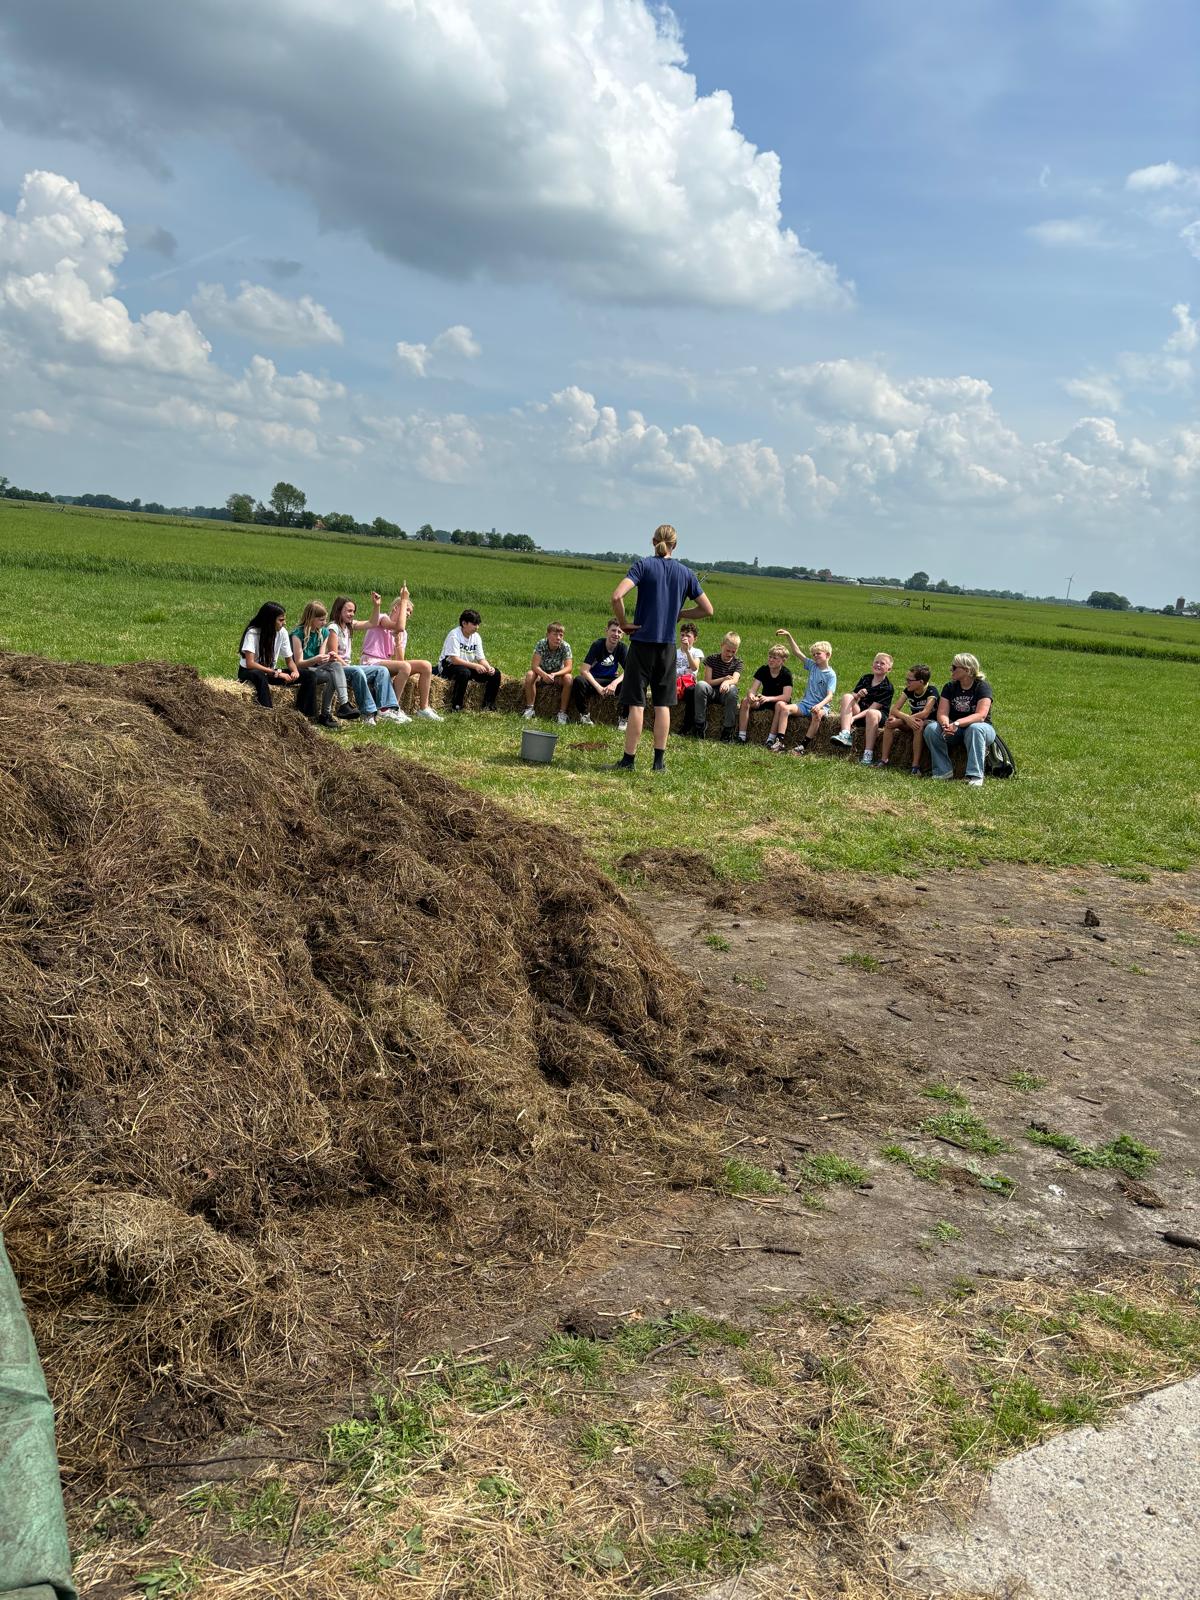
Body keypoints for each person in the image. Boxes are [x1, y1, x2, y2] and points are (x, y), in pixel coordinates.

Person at [611, 523, 713, 773]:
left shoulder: (643, 566)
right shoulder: (685, 573)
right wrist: (680, 613)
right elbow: (707, 610)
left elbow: (616, 596)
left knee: (636, 703)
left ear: (652, 541)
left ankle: (629, 760)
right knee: (662, 705)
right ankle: (658, 763)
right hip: (667, 648)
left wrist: (624, 623)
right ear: (675, 545)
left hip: (642, 644)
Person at [361, 586, 441, 720]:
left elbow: (400, 660)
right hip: (371, 661)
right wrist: (404, 599)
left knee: (426, 665)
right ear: (396, 608)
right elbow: (399, 626)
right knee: (405, 667)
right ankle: (393, 706)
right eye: (406, 610)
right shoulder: (381, 618)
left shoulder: (403, 634)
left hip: (387, 664)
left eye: (410, 612)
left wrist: (398, 644)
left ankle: (424, 708)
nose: (408, 614)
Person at [328, 594, 407, 726]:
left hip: (347, 666)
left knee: (382, 670)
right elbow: (333, 656)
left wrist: (377, 606)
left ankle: (386, 708)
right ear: (338, 610)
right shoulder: (333, 628)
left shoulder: (349, 626)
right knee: (357, 672)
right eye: (348, 611)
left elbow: (372, 623)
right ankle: (368, 713)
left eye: (353, 611)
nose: (352, 614)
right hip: (336, 668)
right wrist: (349, 666)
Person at [924, 653, 996, 786]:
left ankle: (975, 776)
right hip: (955, 730)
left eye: (954, 667)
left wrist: (956, 723)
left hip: (981, 729)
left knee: (975, 728)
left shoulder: (982, 687)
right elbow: (942, 712)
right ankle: (942, 771)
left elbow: (981, 716)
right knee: (931, 729)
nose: (951, 670)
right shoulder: (950, 687)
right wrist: (946, 724)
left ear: (967, 670)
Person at [767, 634, 836, 755]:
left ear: (828, 655)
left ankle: (803, 746)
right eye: (813, 654)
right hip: (805, 704)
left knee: (817, 715)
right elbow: (797, 652)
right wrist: (788, 636)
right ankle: (780, 742)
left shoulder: (831, 675)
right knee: (784, 709)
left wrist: (819, 706)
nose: (815, 656)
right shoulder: (812, 666)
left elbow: (830, 696)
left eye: (818, 653)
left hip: (822, 706)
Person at [290, 600, 347, 730]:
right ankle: (326, 713)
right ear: (311, 619)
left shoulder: (324, 633)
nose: (324, 623)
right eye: (321, 620)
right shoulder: (297, 634)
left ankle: (343, 704)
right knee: (333, 673)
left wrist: (327, 658)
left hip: (316, 668)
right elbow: (299, 663)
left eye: (325, 619)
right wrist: (316, 659)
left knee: (336, 666)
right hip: (304, 671)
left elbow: (320, 659)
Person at [830, 652, 895, 763]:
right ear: (872, 665)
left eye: (882, 663)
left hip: (876, 717)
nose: (878, 665)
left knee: (872, 713)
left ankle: (868, 755)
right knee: (847, 696)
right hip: (860, 711)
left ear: (889, 669)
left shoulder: (887, 687)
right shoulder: (866, 678)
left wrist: (853, 719)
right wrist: (857, 695)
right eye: (876, 662)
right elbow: (853, 698)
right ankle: (845, 734)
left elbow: (872, 708)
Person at [877, 664, 939, 773]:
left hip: (930, 722)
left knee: (918, 725)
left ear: (920, 681)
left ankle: (915, 766)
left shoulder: (931, 691)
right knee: (889, 723)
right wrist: (905, 718)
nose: (907, 682)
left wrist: (902, 720)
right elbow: (894, 710)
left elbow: (925, 713)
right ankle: (884, 760)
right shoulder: (909, 690)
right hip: (911, 720)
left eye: (910, 680)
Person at [438, 607, 501, 712]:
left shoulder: (476, 637)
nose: (477, 627)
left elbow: (481, 659)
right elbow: (454, 660)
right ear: (464, 623)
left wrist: (489, 667)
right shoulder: (454, 635)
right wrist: (475, 666)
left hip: (466, 666)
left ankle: (488, 705)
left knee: (495, 674)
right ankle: (456, 706)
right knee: (464, 672)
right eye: (474, 624)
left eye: (478, 624)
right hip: (448, 667)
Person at [238, 601, 299, 708]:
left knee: (309, 675)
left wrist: (295, 671)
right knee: (260, 675)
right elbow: (250, 664)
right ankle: (267, 712)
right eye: (281, 620)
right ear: (270, 620)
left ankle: (306, 715)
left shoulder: (283, 632)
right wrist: (277, 673)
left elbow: (289, 660)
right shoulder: (252, 633)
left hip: (270, 672)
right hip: (249, 672)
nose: (284, 623)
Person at [688, 631, 744, 741]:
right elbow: (708, 681)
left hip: (725, 695)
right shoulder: (712, 659)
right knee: (700, 685)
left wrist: (727, 683)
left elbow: (735, 679)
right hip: (712, 692)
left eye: (733, 651)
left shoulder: (738, 662)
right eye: (727, 650)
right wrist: (723, 679)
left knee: (733, 690)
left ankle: (728, 730)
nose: (730, 654)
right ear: (721, 645)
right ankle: (700, 724)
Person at [572, 621, 627, 724]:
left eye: (619, 632)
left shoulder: (622, 648)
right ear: (606, 631)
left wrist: (614, 684)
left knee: (632, 683)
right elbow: (584, 670)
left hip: (611, 681)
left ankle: (623, 718)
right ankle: (584, 715)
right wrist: (598, 688)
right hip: (595, 680)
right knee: (578, 681)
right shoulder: (597, 645)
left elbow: (630, 671)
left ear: (622, 635)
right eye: (613, 630)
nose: (616, 634)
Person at [737, 644, 793, 743]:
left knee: (780, 705)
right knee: (746, 701)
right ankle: (741, 736)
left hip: (778, 701)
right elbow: (753, 689)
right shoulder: (763, 669)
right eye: (770, 657)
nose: (771, 660)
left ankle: (771, 739)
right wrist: (750, 695)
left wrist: (768, 698)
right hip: (764, 700)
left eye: (775, 658)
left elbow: (787, 697)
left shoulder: (786, 674)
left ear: (783, 661)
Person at [522, 621, 574, 723]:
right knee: (529, 675)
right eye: (555, 634)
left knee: (569, 678)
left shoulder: (566, 646)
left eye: (561, 635)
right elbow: (534, 665)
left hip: (557, 675)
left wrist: (555, 674)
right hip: (541, 673)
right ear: (548, 635)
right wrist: (544, 675)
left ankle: (562, 713)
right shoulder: (541, 644)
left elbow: (569, 667)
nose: (558, 638)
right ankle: (530, 709)